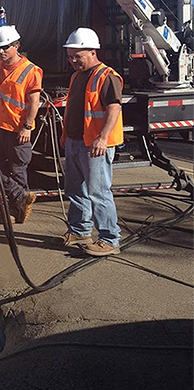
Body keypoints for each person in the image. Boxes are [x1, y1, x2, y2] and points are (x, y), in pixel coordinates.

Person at [60, 28, 123, 256]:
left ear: (92, 51)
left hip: (95, 145)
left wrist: (102, 138)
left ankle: (109, 239)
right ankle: (80, 231)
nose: (73, 61)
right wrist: (66, 135)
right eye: (70, 56)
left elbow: (114, 108)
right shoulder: (77, 76)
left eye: (77, 55)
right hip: (76, 141)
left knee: (98, 192)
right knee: (75, 190)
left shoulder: (106, 76)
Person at [0, 25, 42, 223]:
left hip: (17, 129)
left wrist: (27, 127)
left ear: (16, 46)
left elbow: (33, 102)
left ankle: (17, 213)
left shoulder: (30, 71)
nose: (1, 52)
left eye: (5, 47)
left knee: (17, 169)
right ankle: (20, 197)